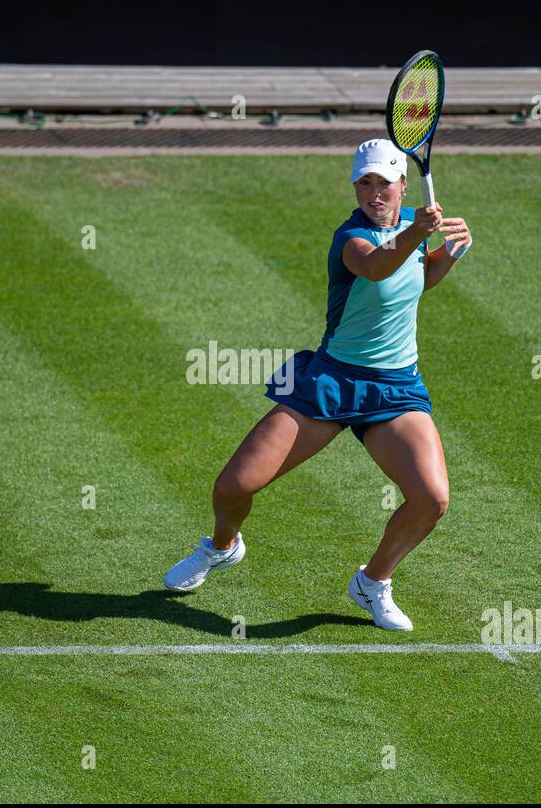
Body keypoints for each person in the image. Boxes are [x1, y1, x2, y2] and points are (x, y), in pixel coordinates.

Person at [162, 138, 472, 631]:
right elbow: (376, 267)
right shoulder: (351, 239)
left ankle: (372, 583)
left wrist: (449, 253)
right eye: (364, 183)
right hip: (329, 381)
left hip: (395, 388)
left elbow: (416, 279)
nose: (374, 193)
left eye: (383, 184)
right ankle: (222, 547)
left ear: (402, 185)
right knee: (233, 487)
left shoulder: (415, 222)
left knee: (431, 499)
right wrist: (417, 232)